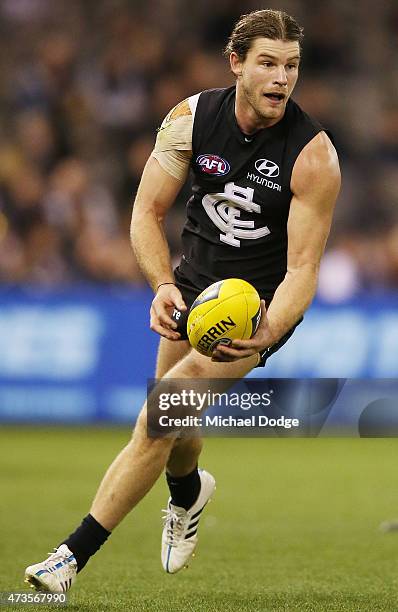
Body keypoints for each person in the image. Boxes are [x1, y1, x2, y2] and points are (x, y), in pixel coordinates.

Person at [24, 9, 340, 592]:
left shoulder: (314, 156)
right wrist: (163, 285)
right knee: (175, 429)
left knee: (157, 417)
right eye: (267, 63)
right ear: (236, 63)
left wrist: (270, 328)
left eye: (291, 66)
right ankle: (189, 491)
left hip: (255, 308)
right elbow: (145, 213)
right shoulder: (192, 119)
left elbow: (302, 269)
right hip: (192, 288)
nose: (281, 79)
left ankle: (68, 558)